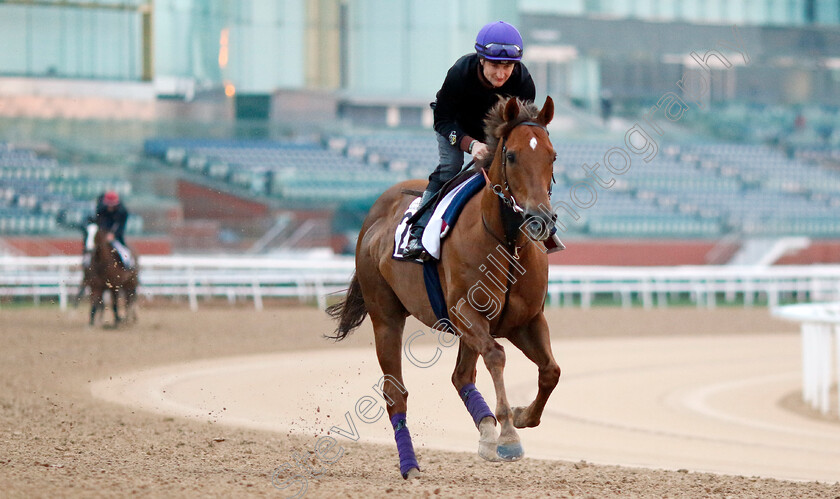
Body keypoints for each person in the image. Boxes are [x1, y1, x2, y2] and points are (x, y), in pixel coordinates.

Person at [403, 20, 536, 260]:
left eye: (508, 66)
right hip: (455, 125)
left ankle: (536, 220)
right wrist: (471, 145)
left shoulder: (523, 81)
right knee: (450, 168)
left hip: (495, 131)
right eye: (495, 65)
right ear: (481, 59)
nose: (501, 73)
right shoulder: (459, 74)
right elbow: (441, 119)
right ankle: (418, 230)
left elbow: (522, 128)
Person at [94, 190, 133, 268]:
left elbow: (121, 226)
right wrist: (104, 232)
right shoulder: (101, 209)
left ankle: (128, 263)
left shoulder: (122, 212)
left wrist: (113, 235)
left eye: (112, 205)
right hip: (103, 233)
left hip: (116, 235)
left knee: (122, 250)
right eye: (108, 205)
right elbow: (99, 221)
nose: (110, 207)